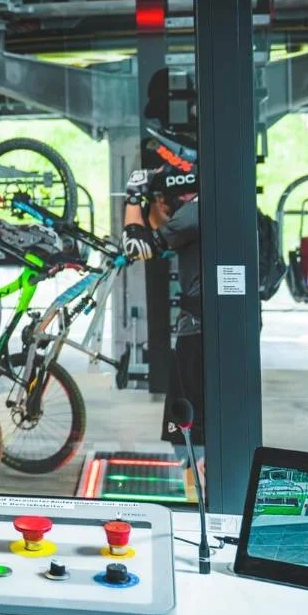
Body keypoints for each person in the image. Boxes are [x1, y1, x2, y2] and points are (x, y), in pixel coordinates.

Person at [122, 166, 203, 447]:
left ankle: (198, 479)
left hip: (198, 328)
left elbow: (136, 247)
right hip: (223, 323)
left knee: (187, 423)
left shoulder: (193, 213)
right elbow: (163, 235)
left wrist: (133, 197)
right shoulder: (213, 206)